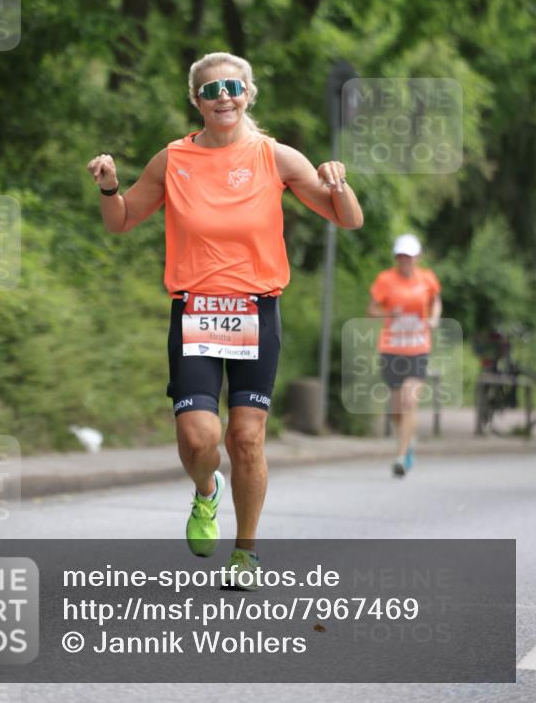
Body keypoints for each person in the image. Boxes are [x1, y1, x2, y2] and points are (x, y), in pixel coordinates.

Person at [88, 52, 363, 586]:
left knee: (247, 437)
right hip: (196, 308)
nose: (223, 98)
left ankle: (246, 552)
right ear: (196, 100)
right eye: (211, 91)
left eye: (232, 88)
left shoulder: (275, 157)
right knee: (199, 438)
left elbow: (348, 219)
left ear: (248, 94)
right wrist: (108, 187)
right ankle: (206, 489)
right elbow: (121, 221)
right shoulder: (172, 159)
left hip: (256, 309)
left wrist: (337, 183)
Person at [367, 234, 442, 477]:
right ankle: (408, 441)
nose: (405, 261)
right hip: (392, 348)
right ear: (396, 258)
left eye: (409, 256)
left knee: (410, 401)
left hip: (418, 348)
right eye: (401, 256)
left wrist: (434, 318)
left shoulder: (427, 278)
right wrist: (389, 314)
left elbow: (436, 301)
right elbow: (371, 310)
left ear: (417, 257)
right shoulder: (385, 280)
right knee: (396, 411)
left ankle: (400, 457)